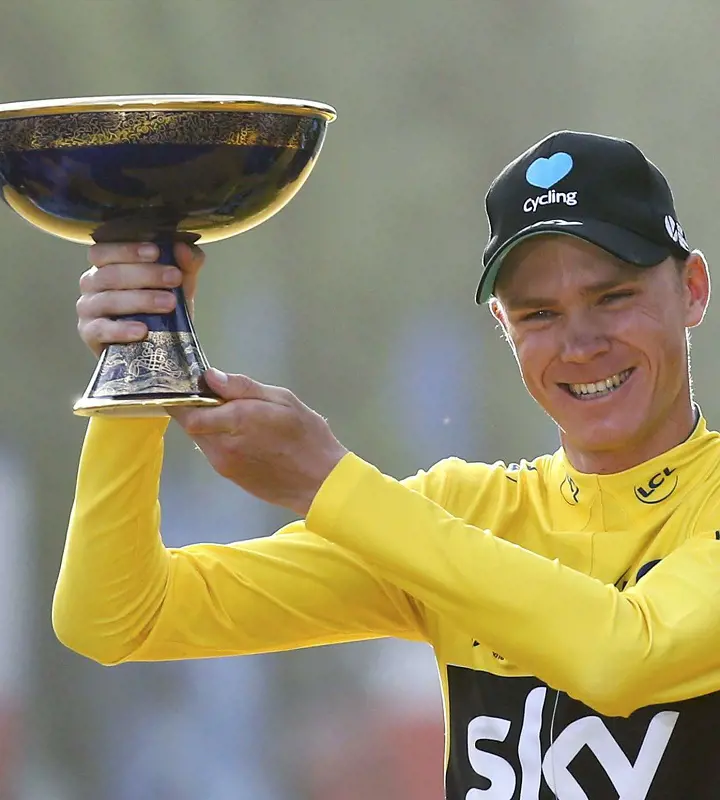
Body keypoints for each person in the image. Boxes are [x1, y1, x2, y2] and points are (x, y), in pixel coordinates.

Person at [53, 129, 720, 800]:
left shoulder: (415, 526)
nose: (579, 345)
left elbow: (624, 657)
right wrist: (137, 357)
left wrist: (324, 481)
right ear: (503, 324)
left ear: (692, 289)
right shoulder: (461, 514)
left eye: (613, 297)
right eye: (539, 313)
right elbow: (115, 619)